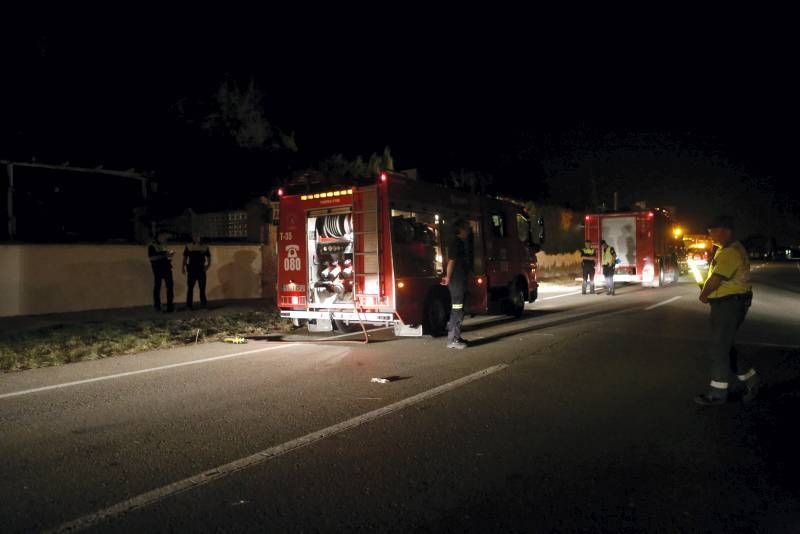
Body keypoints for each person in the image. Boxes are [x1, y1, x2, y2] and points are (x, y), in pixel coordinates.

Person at [695, 215, 759, 406]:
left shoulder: (730, 252)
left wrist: (704, 294)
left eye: (713, 232)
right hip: (729, 304)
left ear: (725, 231)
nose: (711, 236)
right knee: (725, 346)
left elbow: (717, 279)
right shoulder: (726, 250)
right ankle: (751, 380)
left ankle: (717, 394)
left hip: (729, 305)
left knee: (718, 349)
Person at [441, 219, 472, 349]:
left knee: (459, 310)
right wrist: (448, 277)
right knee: (457, 310)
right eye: (466, 228)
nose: (468, 230)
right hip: (457, 282)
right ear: (460, 230)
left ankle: (456, 337)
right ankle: (453, 340)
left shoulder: (459, 243)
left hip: (459, 281)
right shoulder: (456, 243)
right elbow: (451, 261)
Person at [183, 233, 212, 310]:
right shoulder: (189, 246)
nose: (196, 238)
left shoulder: (204, 246)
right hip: (192, 269)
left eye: (198, 236)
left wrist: (208, 265)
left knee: (202, 288)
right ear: (192, 238)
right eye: (194, 236)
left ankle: (203, 304)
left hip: (201, 269)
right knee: (190, 288)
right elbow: (185, 257)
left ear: (200, 237)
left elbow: (209, 256)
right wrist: (183, 267)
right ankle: (189, 305)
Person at [148, 231, 174, 312]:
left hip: (167, 269)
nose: (165, 238)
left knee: (170, 286)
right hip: (158, 269)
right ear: (158, 237)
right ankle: (157, 305)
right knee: (157, 287)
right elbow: (152, 258)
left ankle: (170, 306)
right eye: (163, 237)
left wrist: (169, 255)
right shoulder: (152, 246)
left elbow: (165, 256)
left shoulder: (164, 245)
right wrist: (165, 255)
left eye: (165, 237)